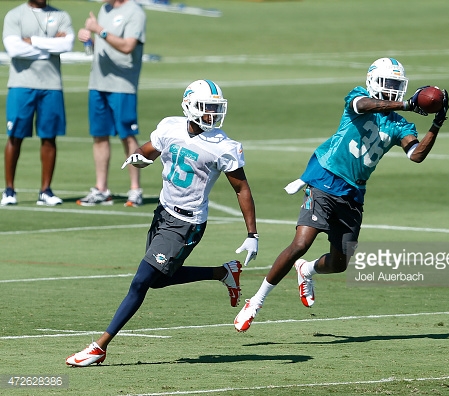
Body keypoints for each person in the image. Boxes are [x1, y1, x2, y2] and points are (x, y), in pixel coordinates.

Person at [234, 57, 449, 332]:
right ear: (373, 81)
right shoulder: (358, 97)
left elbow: (416, 155)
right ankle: (256, 301)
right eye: (388, 83)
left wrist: (438, 123)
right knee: (300, 243)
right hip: (325, 178)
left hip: (353, 192)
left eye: (397, 85)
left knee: (339, 263)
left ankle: (307, 270)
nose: (393, 90)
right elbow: (364, 105)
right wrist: (407, 104)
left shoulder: (400, 125)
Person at [66, 79, 259, 366]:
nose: (212, 115)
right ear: (189, 106)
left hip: (187, 223)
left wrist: (252, 233)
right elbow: (149, 150)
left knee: (141, 282)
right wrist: (139, 158)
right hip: (163, 212)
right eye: (206, 108)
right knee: (157, 281)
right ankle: (223, 272)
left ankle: (100, 346)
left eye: (216, 109)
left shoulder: (224, 146)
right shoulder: (170, 126)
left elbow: (241, 188)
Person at [1, 0, 74, 206]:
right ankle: (9, 190)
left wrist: (32, 41)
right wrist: (49, 46)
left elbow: (66, 44)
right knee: (15, 136)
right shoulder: (15, 15)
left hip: (51, 85)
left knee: (49, 137)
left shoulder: (61, 16)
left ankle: (46, 191)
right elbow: (13, 49)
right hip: (21, 84)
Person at [76, 0, 146, 207]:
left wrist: (99, 30)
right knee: (99, 136)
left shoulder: (135, 12)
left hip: (122, 84)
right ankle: (101, 189)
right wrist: (89, 40)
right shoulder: (104, 9)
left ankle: (135, 189)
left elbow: (127, 46)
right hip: (98, 82)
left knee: (127, 135)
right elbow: (103, 45)